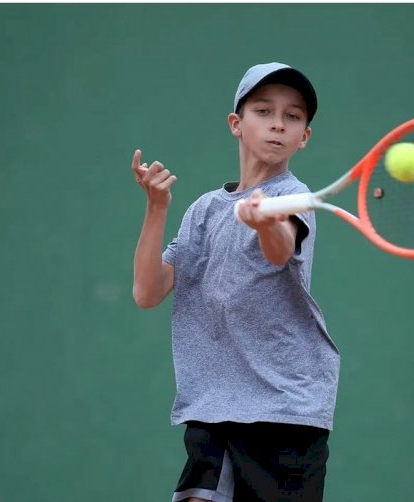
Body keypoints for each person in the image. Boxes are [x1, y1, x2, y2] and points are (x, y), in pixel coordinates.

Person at [131, 62, 341, 502]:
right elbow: (148, 292)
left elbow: (281, 249)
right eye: (264, 111)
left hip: (286, 415)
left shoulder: (292, 197)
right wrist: (156, 206)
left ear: (304, 136)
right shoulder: (204, 210)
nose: (278, 124)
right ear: (236, 124)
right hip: (212, 409)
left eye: (293, 116)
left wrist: (263, 223)